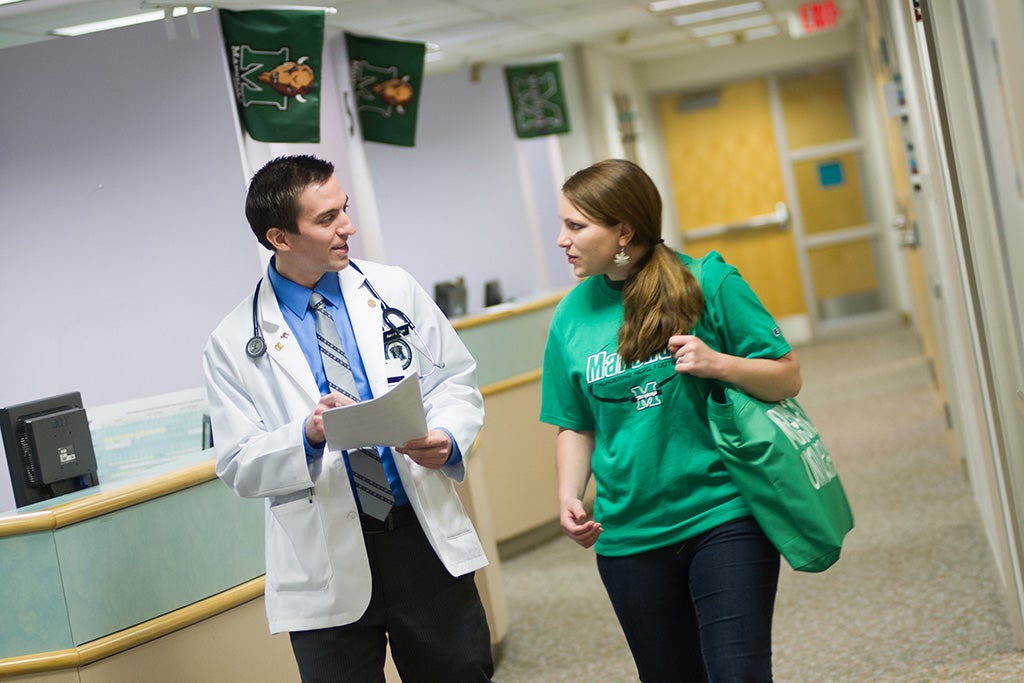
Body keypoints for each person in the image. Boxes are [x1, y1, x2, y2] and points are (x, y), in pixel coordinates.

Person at [203, 154, 493, 682]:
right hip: (324, 558)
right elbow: (238, 463)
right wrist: (308, 436)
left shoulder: (393, 290)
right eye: (326, 219)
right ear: (279, 238)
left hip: (419, 539)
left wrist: (447, 438)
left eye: (345, 209)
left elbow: (454, 380)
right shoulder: (230, 343)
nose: (347, 228)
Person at [539, 159, 802, 682]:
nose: (562, 240)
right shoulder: (570, 316)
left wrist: (717, 363)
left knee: (738, 673)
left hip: (723, 515)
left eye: (575, 225)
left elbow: (786, 376)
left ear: (623, 231)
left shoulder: (707, 280)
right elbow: (576, 422)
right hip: (630, 536)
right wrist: (570, 493)